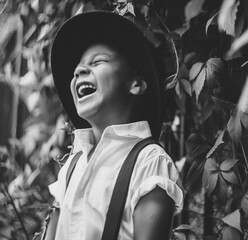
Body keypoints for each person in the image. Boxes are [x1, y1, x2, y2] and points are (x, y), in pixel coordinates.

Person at [45, 11, 183, 240]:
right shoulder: (72, 165)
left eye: (97, 61)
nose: (79, 71)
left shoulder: (149, 162)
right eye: (77, 68)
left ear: (136, 84)